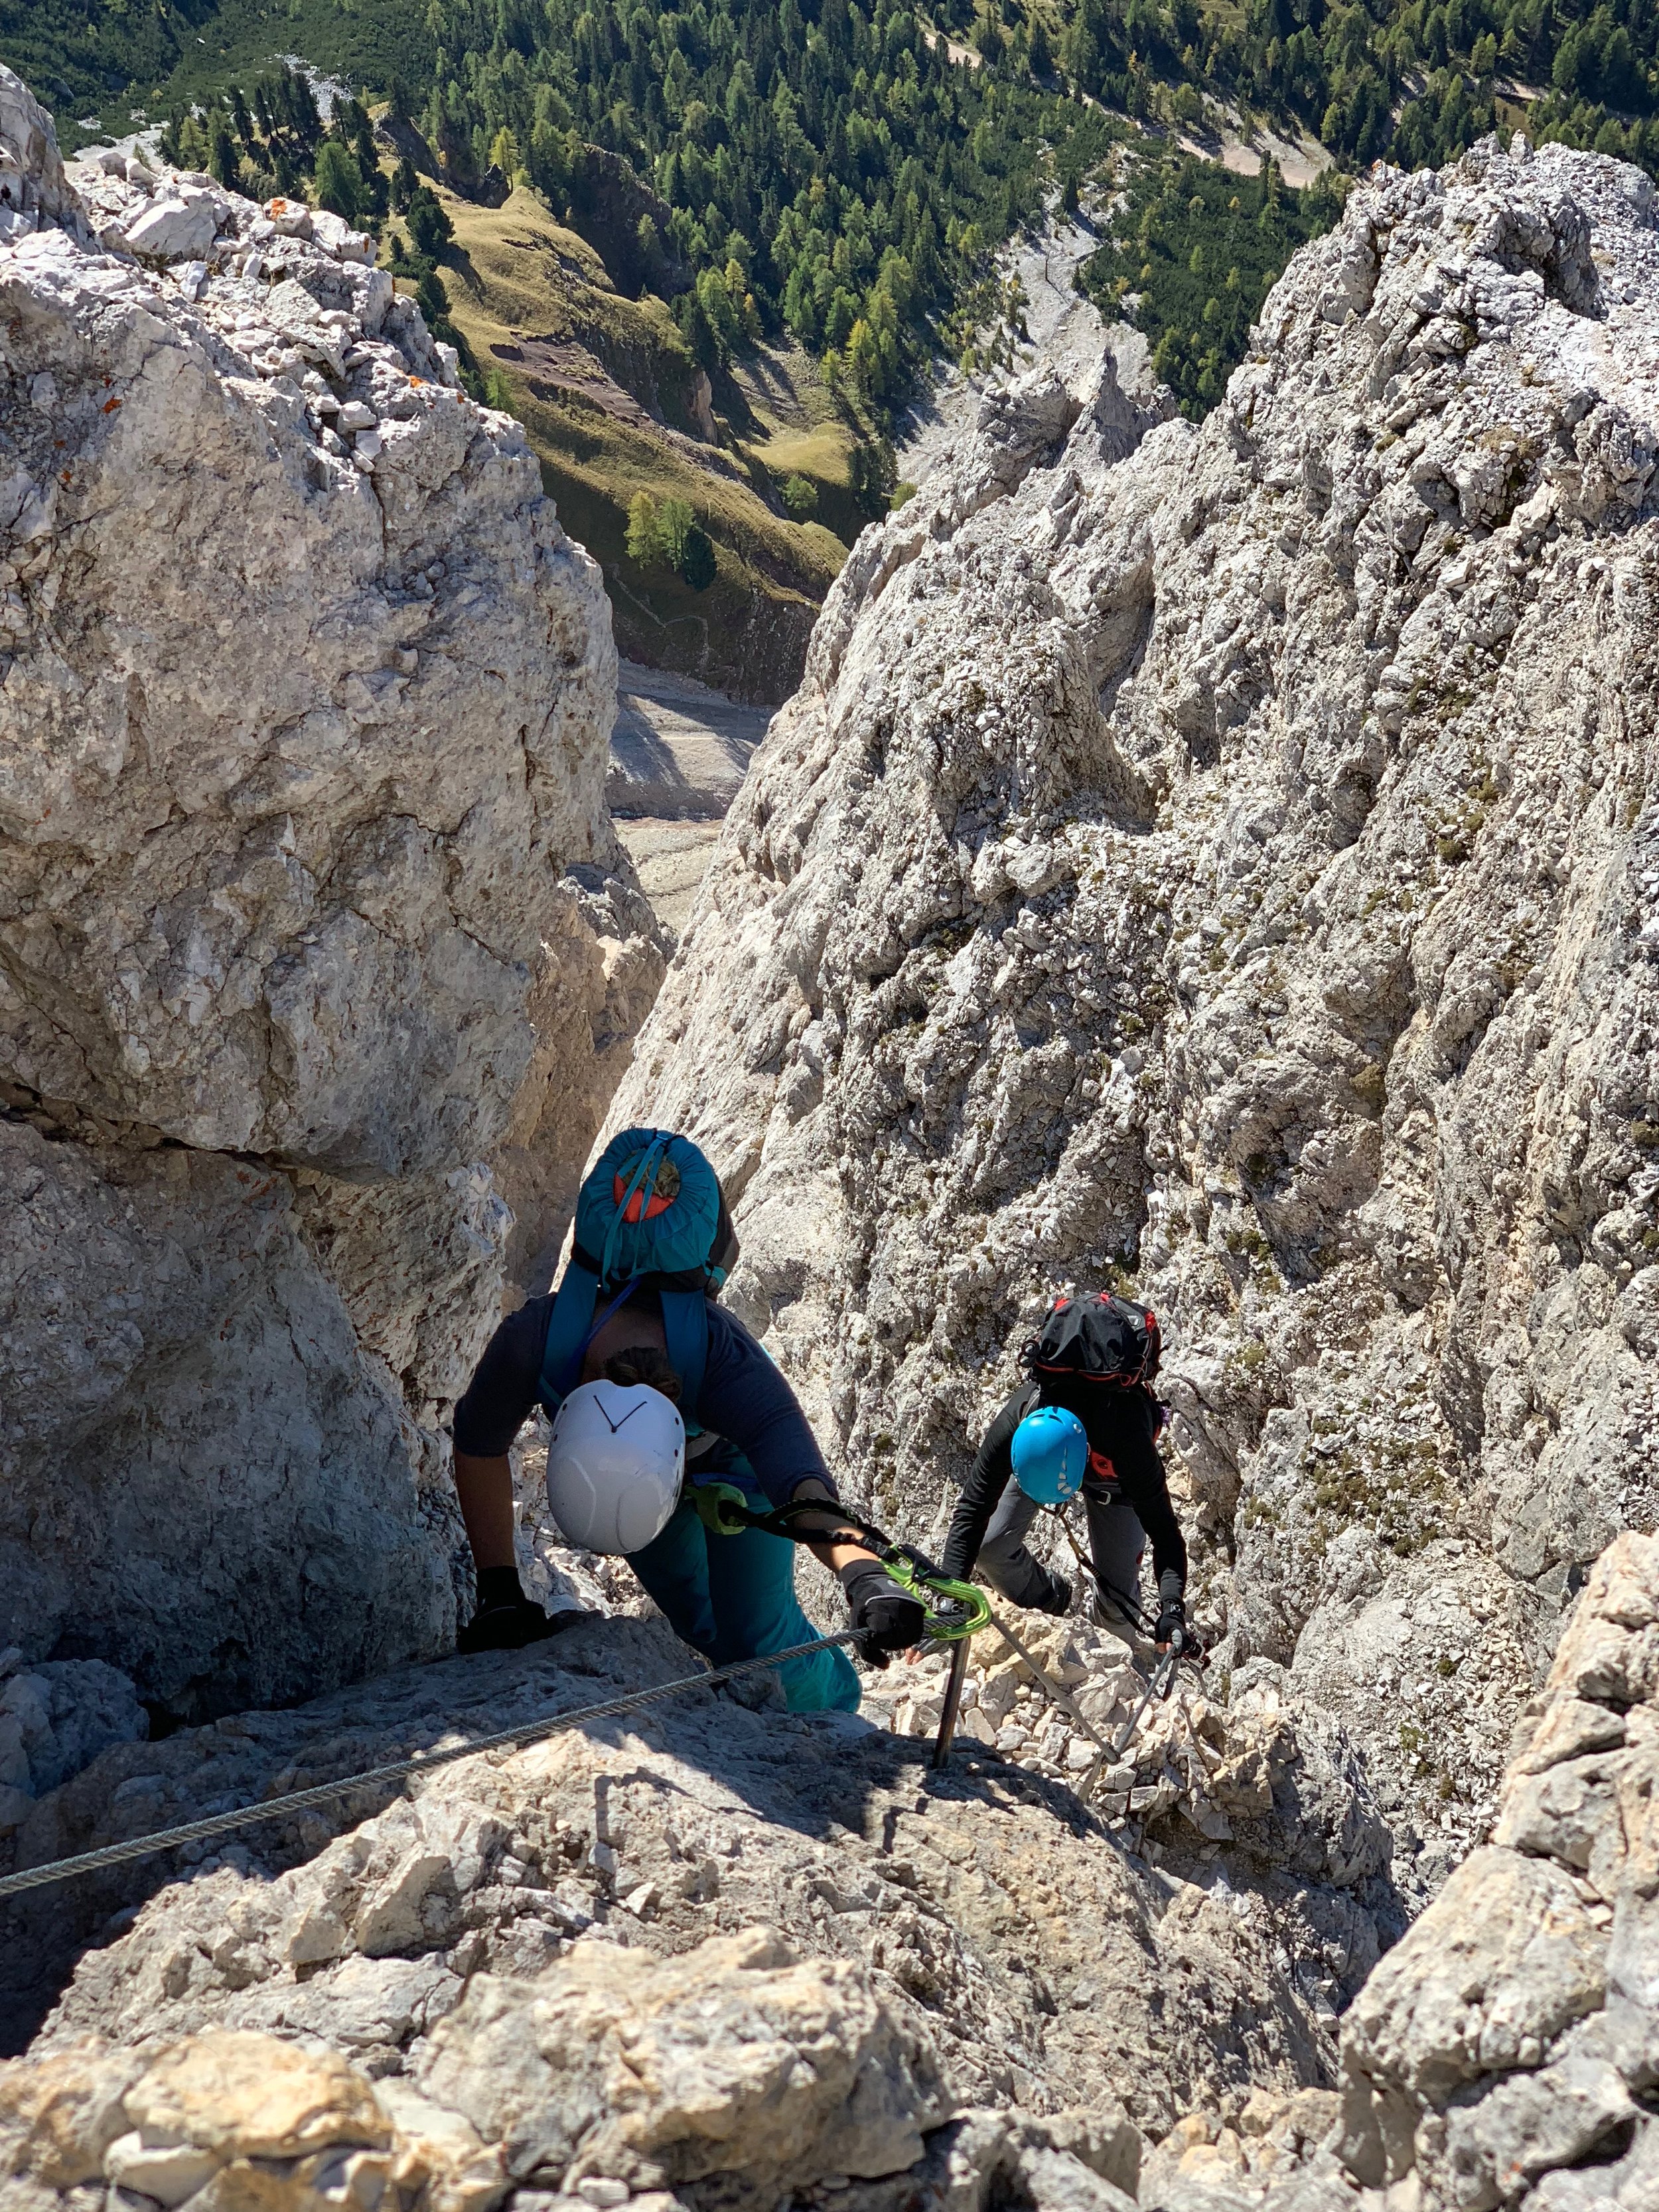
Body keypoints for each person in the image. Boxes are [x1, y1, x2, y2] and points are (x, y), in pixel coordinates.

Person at [449, 1126, 925, 1710]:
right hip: (664, 1482)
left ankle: (837, 1707)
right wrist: (498, 1591)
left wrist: (866, 1576)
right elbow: (477, 1443)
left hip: (735, 1466)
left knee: (757, 1637)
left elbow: (797, 1481)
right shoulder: (536, 1341)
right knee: (699, 1623)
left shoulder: (719, 1360)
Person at [939, 1291, 1190, 1650]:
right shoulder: (1023, 1417)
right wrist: (948, 1594)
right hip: (1051, 1460)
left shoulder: (1127, 1439)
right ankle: (1049, 1600)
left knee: (1117, 1601)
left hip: (1112, 1483)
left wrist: (1171, 1609)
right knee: (991, 1547)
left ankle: (1117, 1656)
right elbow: (973, 1507)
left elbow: (1166, 1534)